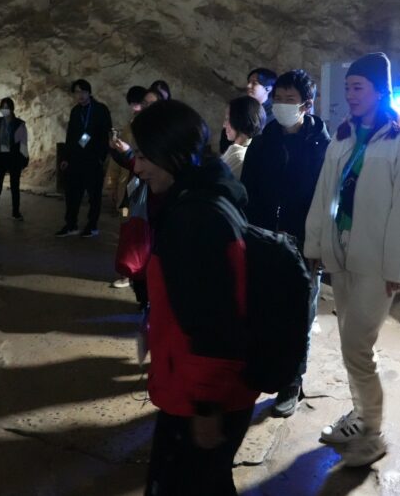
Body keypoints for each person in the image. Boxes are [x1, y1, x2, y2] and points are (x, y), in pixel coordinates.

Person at [304, 53, 400, 467]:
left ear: (380, 91)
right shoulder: (342, 137)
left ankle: (372, 432)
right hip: (343, 251)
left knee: (358, 345)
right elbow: (324, 193)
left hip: (377, 260)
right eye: (347, 87)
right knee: (350, 342)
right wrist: (316, 245)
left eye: (358, 87)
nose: (350, 94)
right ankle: (360, 417)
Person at [133, 100, 259, 496]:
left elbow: (215, 320)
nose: (137, 166)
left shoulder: (195, 219)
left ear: (172, 153)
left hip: (203, 395)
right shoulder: (199, 195)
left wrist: (206, 408)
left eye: (144, 156)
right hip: (198, 387)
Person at [239, 69, 330, 416]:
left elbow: (328, 200)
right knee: (265, 310)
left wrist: (320, 245)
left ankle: (292, 381)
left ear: (307, 104)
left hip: (304, 243)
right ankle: (265, 372)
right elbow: (248, 193)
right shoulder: (263, 143)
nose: (281, 105)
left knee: (300, 315)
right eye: (277, 99)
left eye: (289, 100)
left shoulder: (323, 147)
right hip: (266, 240)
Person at [57, 79, 113, 238]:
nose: (80, 95)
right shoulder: (75, 111)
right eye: (76, 92)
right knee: (72, 193)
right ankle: (71, 224)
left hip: (93, 159)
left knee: (94, 195)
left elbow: (106, 134)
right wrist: (66, 157)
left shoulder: (100, 109)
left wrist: (101, 157)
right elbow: (70, 136)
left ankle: (92, 225)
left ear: (89, 92)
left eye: (83, 92)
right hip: (76, 159)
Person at [0, 97, 29, 225]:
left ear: (12, 108)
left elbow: (23, 143)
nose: (4, 109)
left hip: (14, 158)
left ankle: (16, 212)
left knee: (15, 186)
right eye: (2, 107)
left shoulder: (19, 124)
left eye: (7, 107)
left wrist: (24, 158)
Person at [106, 86, 148, 224]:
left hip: (143, 184)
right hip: (127, 184)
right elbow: (117, 160)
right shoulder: (128, 129)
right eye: (132, 103)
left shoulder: (153, 129)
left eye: (138, 103)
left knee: (140, 219)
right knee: (125, 214)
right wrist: (111, 184)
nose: (134, 107)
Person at [219, 68, 276, 154]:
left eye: (254, 83)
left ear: (268, 88)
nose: (248, 86)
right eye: (249, 82)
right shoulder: (240, 105)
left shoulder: (274, 116)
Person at [220, 96, 262, 180]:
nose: (224, 125)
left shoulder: (239, 158)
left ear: (240, 120)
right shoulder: (236, 151)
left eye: (227, 119)